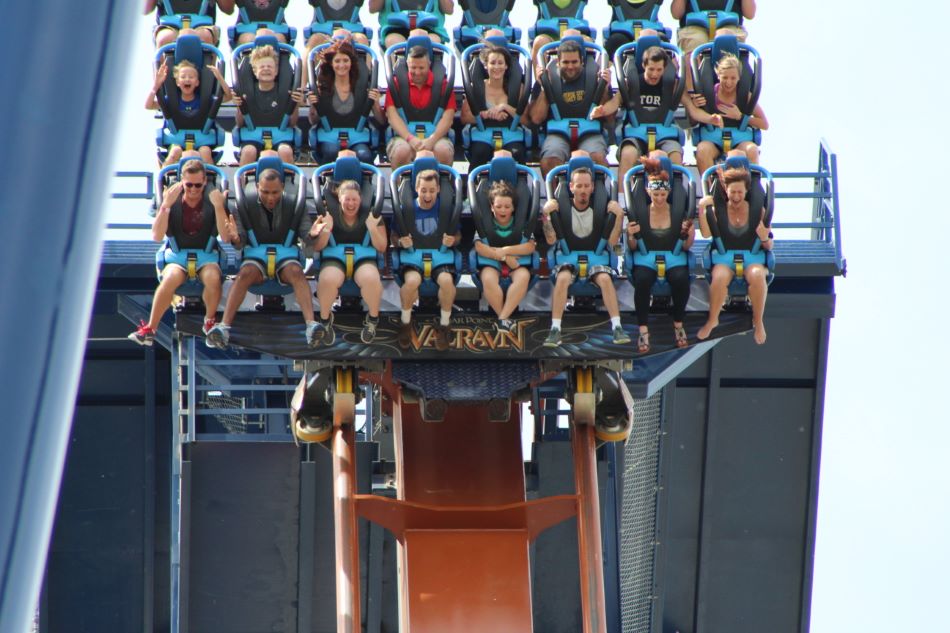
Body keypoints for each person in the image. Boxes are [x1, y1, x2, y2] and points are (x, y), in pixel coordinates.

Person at [206, 162, 323, 348]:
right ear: (258, 187)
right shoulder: (245, 204)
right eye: (265, 192)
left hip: (286, 258)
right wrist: (236, 237)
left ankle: (311, 325)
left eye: (275, 192)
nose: (270, 197)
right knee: (244, 274)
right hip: (256, 258)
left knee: (296, 271)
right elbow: (240, 243)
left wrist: (313, 236)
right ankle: (224, 327)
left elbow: (307, 244)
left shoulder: (294, 204)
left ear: (282, 188)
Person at [129, 160, 229, 346]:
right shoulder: (172, 199)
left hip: (206, 254)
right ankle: (150, 329)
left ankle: (209, 324)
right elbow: (157, 236)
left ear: (205, 182)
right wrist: (166, 206)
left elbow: (226, 236)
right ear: (182, 182)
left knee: (213, 277)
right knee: (170, 278)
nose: (193, 190)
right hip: (177, 254)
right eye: (188, 185)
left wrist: (218, 207)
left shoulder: (212, 199)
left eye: (198, 185)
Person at [540, 160, 630, 347]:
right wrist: (546, 217)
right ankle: (555, 329)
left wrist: (619, 216)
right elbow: (550, 240)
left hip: (596, 256)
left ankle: (617, 327)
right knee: (563, 278)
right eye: (579, 185)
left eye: (586, 186)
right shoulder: (561, 207)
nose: (582, 190)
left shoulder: (601, 208)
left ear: (592, 188)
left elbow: (612, 242)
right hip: (567, 255)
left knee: (605, 279)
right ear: (571, 187)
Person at [625, 157, 694, 353]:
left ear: (669, 192)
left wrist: (689, 234)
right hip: (646, 255)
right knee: (643, 280)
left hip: (673, 254)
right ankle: (643, 329)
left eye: (663, 194)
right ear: (648, 191)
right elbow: (631, 246)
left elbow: (687, 247)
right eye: (656, 194)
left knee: (681, 279)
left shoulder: (677, 211)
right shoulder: (641, 212)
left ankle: (678, 322)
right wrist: (631, 234)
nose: (660, 198)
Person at [696, 165, 770, 345]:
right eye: (732, 192)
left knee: (757, 275)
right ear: (726, 191)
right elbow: (706, 234)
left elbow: (769, 244)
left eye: (740, 192)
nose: (736, 197)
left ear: (746, 191)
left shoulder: (757, 210)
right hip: (725, 255)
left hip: (752, 256)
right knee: (719, 276)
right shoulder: (717, 209)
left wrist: (764, 237)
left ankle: (758, 321)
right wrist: (702, 209)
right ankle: (713, 318)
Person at [392, 162, 460, 351]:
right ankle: (405, 322)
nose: (428, 195)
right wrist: (399, 242)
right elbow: (394, 236)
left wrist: (452, 240)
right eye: (423, 190)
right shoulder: (406, 208)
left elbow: (458, 236)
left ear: (438, 189)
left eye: (432, 190)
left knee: (447, 281)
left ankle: (445, 324)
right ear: (416, 189)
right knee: (412, 281)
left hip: (440, 254)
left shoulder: (446, 208)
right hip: (413, 256)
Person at [311, 179, 388, 345]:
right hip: (335, 258)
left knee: (371, 279)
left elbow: (381, 247)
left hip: (363, 258)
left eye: (354, 200)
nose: (351, 204)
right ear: (339, 199)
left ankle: (373, 319)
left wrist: (372, 228)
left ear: (360, 199)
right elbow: (317, 247)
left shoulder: (372, 215)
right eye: (347, 199)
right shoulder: (327, 214)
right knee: (327, 280)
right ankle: (325, 320)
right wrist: (326, 229)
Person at [527, 38, 613, 177]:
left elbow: (609, 118)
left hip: (590, 132)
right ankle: (555, 197)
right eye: (565, 62)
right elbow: (536, 118)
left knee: (598, 159)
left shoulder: (595, 76)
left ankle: (595, 196)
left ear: (582, 62)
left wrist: (604, 88)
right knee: (549, 161)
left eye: (574, 62)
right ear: (558, 63)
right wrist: (545, 88)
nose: (570, 66)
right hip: (557, 133)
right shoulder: (547, 76)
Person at [684, 52, 768, 176]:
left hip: (739, 139)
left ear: (739, 77)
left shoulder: (745, 96)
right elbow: (692, 121)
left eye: (733, 78)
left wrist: (740, 117)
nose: (729, 82)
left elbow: (764, 124)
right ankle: (709, 189)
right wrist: (696, 105)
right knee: (702, 150)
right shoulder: (709, 94)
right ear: (718, 75)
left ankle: (750, 190)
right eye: (725, 78)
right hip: (713, 138)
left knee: (752, 150)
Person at [308, 38, 384, 164]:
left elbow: (382, 121)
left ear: (351, 63)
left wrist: (375, 102)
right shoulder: (323, 86)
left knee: (364, 155)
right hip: (329, 136)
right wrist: (314, 105)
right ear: (331, 64)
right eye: (337, 61)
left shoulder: (363, 85)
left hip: (357, 135)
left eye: (345, 61)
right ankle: (331, 182)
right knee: (331, 152)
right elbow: (313, 120)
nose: (341, 65)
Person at [473, 181, 536, 332]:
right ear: (491, 207)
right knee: (488, 278)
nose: (503, 210)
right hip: (492, 264)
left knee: (523, 276)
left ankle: (502, 318)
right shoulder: (485, 224)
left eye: (507, 207)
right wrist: (503, 257)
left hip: (517, 265)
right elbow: (480, 247)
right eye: (499, 206)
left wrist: (506, 249)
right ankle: (504, 319)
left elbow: (530, 246)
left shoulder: (521, 224)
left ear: (514, 208)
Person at [146, 57, 231, 166]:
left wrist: (220, 78)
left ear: (197, 82)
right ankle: (163, 176)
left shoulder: (205, 100)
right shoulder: (171, 100)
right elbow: (148, 105)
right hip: (177, 139)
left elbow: (228, 97)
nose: (187, 79)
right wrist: (156, 85)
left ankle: (209, 178)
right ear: (177, 82)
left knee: (205, 152)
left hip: (202, 139)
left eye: (191, 77)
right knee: (174, 152)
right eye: (183, 77)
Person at [384, 42, 456, 168]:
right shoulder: (396, 83)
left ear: (429, 65)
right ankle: (399, 186)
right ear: (407, 65)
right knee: (401, 151)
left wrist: (432, 140)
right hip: (404, 137)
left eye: (421, 68)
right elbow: (392, 116)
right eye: (413, 68)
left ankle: (443, 185)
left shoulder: (443, 84)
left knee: (443, 151)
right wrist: (410, 138)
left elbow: (448, 118)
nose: (417, 72)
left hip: (435, 137)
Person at [232, 44, 305, 165]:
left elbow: (292, 122)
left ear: (276, 71)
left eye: (270, 66)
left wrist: (296, 104)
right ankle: (242, 181)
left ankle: (289, 181)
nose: (266, 69)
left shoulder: (285, 92)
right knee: (249, 151)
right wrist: (240, 106)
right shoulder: (247, 92)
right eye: (262, 66)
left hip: (280, 135)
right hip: (252, 135)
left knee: (285, 151)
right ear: (255, 72)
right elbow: (239, 123)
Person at [460, 43, 527, 167]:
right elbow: (464, 117)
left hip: (510, 134)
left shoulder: (518, 88)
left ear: (506, 66)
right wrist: (486, 115)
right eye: (493, 63)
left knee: (516, 153)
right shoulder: (476, 88)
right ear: (486, 65)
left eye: (500, 63)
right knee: (480, 152)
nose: (496, 67)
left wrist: (505, 107)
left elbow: (526, 119)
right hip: (483, 133)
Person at [670, 0, 754, 54]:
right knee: (694, 43)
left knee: (725, 38)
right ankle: (692, 80)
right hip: (695, 26)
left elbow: (750, 13)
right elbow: (676, 14)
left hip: (728, 25)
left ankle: (727, 77)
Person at [146, 0, 235, 48]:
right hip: (169, 26)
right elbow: (146, 9)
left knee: (205, 37)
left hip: (202, 25)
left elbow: (228, 9)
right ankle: (161, 80)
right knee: (164, 38)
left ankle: (210, 79)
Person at [370, 0, 455, 49]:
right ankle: (399, 75)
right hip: (394, 28)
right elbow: (373, 8)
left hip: (430, 28)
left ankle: (428, 75)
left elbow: (449, 9)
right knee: (393, 41)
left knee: (431, 42)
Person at [304, 0, 372, 51]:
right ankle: (304, 70)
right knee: (314, 40)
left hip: (352, 33)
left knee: (362, 39)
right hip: (322, 34)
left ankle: (367, 69)